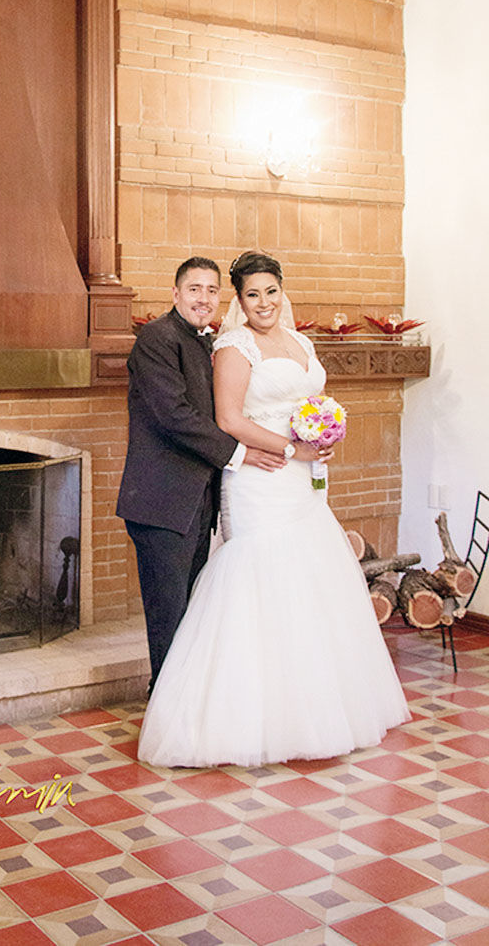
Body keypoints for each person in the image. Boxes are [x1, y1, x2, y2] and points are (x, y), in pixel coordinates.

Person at [138, 250, 409, 767]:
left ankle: (312, 707)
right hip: (261, 478)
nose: (263, 302)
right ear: (239, 302)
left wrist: (323, 431)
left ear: (283, 291)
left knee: (310, 583)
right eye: (251, 294)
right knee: (259, 581)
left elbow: (313, 402)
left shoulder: (302, 342)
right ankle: (240, 717)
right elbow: (228, 419)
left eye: (270, 291)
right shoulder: (233, 346)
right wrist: (292, 448)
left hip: (303, 483)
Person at [116, 256, 288, 694]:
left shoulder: (206, 342)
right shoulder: (156, 339)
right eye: (195, 289)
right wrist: (239, 453)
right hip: (161, 503)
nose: (204, 298)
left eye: (212, 290)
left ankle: (185, 707)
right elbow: (174, 416)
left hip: (196, 502)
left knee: (191, 614)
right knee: (169, 617)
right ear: (175, 294)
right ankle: (165, 712)